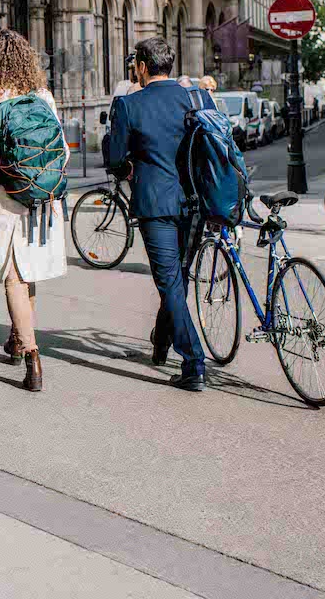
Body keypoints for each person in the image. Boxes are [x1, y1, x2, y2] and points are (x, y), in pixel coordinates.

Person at [0, 29, 69, 392]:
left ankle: (33, 357)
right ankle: (18, 338)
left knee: (13, 276)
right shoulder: (42, 96)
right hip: (40, 195)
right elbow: (63, 153)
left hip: (1, 196)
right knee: (28, 270)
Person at [108, 36, 211, 392]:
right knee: (177, 279)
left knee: (169, 283)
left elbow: (115, 161)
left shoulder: (129, 105)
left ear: (140, 66)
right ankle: (162, 343)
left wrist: (129, 168)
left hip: (156, 205)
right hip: (196, 203)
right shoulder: (194, 98)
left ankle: (194, 363)